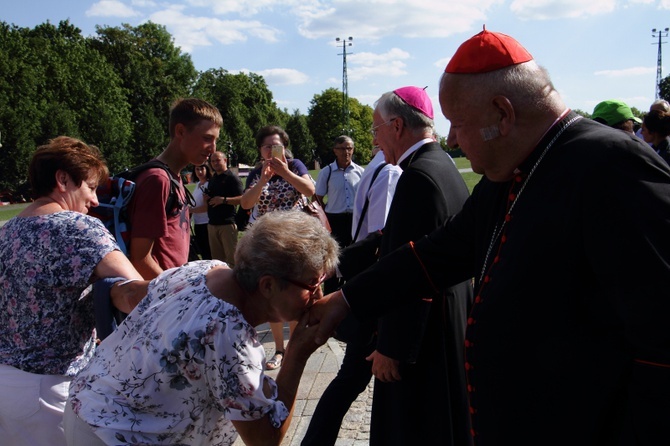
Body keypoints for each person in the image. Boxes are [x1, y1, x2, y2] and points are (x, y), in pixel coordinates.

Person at [307, 27, 670, 445]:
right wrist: (347, 298)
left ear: (503, 112)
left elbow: (661, 343)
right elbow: (435, 254)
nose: (453, 140)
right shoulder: (509, 173)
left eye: (458, 124)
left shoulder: (612, 166)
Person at [65, 210, 339, 446]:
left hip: (88, 406)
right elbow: (265, 438)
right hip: (118, 436)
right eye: (313, 285)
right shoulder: (229, 336)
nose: (319, 295)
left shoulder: (204, 268)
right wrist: (297, 352)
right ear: (267, 285)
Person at [304, 87, 473, 446]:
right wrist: (332, 263)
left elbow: (413, 271)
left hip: (421, 338)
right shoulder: (437, 165)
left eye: (376, 129)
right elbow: (389, 239)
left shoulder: (418, 177)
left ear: (397, 126)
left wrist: (392, 346)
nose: (375, 139)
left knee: (413, 428)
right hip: (441, 321)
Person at [0, 136, 145, 446]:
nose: (94, 201)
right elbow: (139, 292)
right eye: (90, 188)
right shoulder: (76, 228)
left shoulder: (6, 231)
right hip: (51, 390)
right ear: (63, 180)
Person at [240, 125, 316, 370]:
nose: (271, 150)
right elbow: (245, 204)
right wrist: (263, 179)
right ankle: (279, 349)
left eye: (277, 145)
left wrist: (285, 173)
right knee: (271, 294)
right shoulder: (256, 172)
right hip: (268, 241)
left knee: (293, 293)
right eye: (266, 146)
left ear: (285, 147)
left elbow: (310, 190)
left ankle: (294, 345)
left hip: (295, 240)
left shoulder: (295, 166)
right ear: (261, 150)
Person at [128, 97, 222, 279]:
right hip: (161, 297)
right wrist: (175, 293)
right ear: (180, 131)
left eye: (215, 140)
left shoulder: (173, 177)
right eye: (207, 138)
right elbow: (140, 259)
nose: (213, 149)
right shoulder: (157, 180)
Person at [315, 135, 364, 293]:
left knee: (355, 257)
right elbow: (317, 198)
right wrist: (324, 217)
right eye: (342, 148)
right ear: (335, 151)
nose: (346, 152)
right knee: (333, 259)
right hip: (334, 221)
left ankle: (352, 292)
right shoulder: (327, 172)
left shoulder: (360, 172)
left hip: (354, 221)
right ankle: (331, 293)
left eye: (349, 148)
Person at [350, 145, 402, 243]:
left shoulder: (380, 165)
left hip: (365, 247)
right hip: (373, 252)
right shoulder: (390, 171)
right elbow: (380, 232)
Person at [204, 151, 244, 266]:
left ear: (225, 160)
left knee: (232, 260)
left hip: (227, 225)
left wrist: (223, 200)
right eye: (212, 161)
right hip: (212, 224)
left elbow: (243, 199)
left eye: (218, 160)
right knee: (216, 262)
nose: (215, 163)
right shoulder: (213, 178)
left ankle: (235, 283)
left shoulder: (232, 178)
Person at [189, 162, 213, 260]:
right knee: (203, 252)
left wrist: (190, 210)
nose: (199, 172)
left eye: (202, 169)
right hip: (198, 223)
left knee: (208, 252)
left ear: (207, 169)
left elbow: (206, 207)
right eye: (197, 169)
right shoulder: (198, 184)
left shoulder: (209, 185)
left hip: (207, 223)